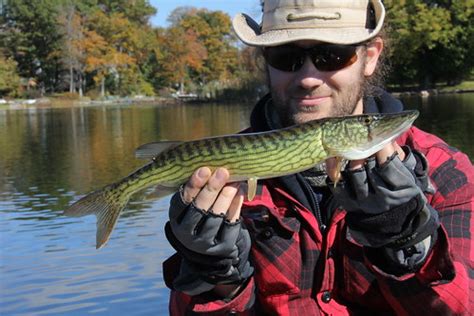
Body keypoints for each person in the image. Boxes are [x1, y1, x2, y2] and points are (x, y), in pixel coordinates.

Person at [162, 0, 474, 314]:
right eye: (287, 57)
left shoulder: (446, 172)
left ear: (370, 56)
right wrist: (216, 276)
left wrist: (409, 243)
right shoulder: (220, 176)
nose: (309, 78)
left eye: (333, 55)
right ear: (265, 62)